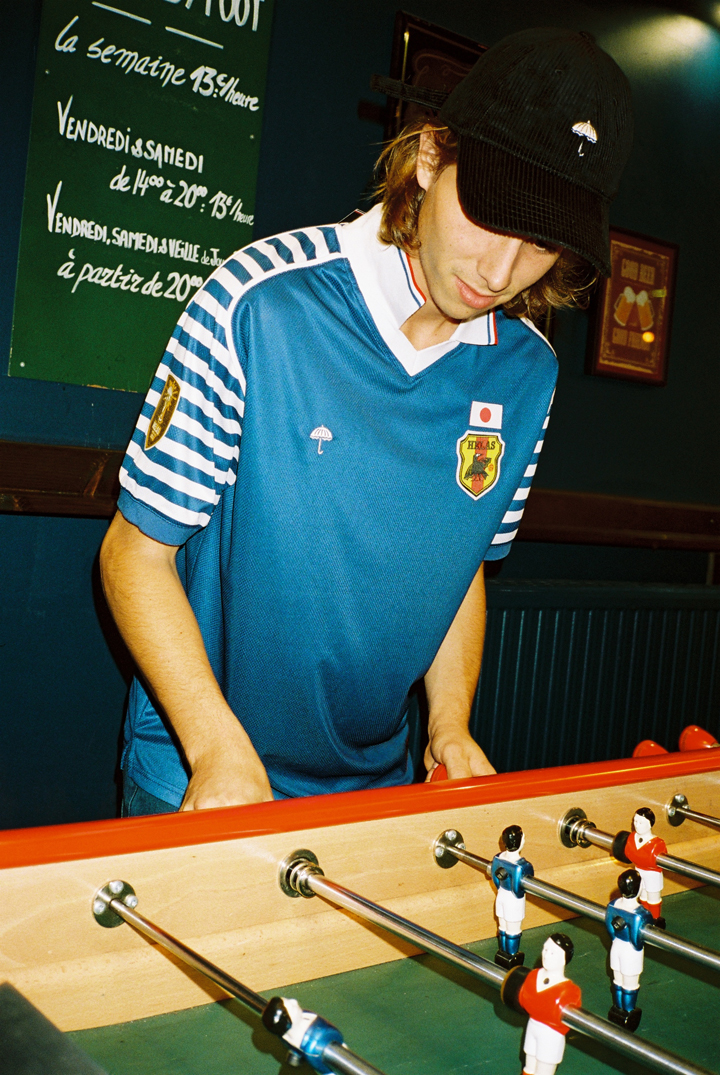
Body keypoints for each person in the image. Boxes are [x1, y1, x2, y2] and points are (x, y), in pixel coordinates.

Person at [100, 27, 633, 814]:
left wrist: (449, 724)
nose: (499, 272)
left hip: (374, 786)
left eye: (541, 243)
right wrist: (216, 749)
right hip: (197, 767)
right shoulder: (257, 303)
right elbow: (133, 555)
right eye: (491, 214)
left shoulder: (530, 374)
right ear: (430, 158)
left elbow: (462, 568)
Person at [518, 933, 581, 1075]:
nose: (546, 955)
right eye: (545, 949)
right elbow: (524, 1000)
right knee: (529, 1068)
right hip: (533, 1027)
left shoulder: (569, 991)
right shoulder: (533, 975)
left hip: (551, 1035)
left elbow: (566, 1022)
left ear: (563, 959)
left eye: (552, 952)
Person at [605, 868, 653, 1031]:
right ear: (638, 888)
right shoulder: (640, 914)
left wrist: (616, 939)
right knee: (630, 983)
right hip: (631, 951)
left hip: (617, 946)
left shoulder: (613, 905)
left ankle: (618, 1008)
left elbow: (610, 928)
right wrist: (636, 947)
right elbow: (637, 939)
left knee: (618, 980)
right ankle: (628, 1010)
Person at [492, 824, 533, 968]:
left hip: (501, 895)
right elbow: (519, 888)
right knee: (513, 930)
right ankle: (512, 955)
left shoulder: (498, 858)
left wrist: (502, 888)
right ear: (520, 842)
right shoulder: (522, 866)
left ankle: (503, 952)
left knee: (502, 926)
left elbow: (495, 878)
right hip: (514, 900)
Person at [623, 808, 667, 925]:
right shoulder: (632, 838)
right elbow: (628, 854)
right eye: (635, 821)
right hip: (639, 871)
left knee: (653, 898)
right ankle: (645, 917)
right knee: (643, 896)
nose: (637, 825)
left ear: (650, 824)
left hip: (653, 875)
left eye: (641, 822)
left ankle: (655, 919)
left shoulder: (658, 843)